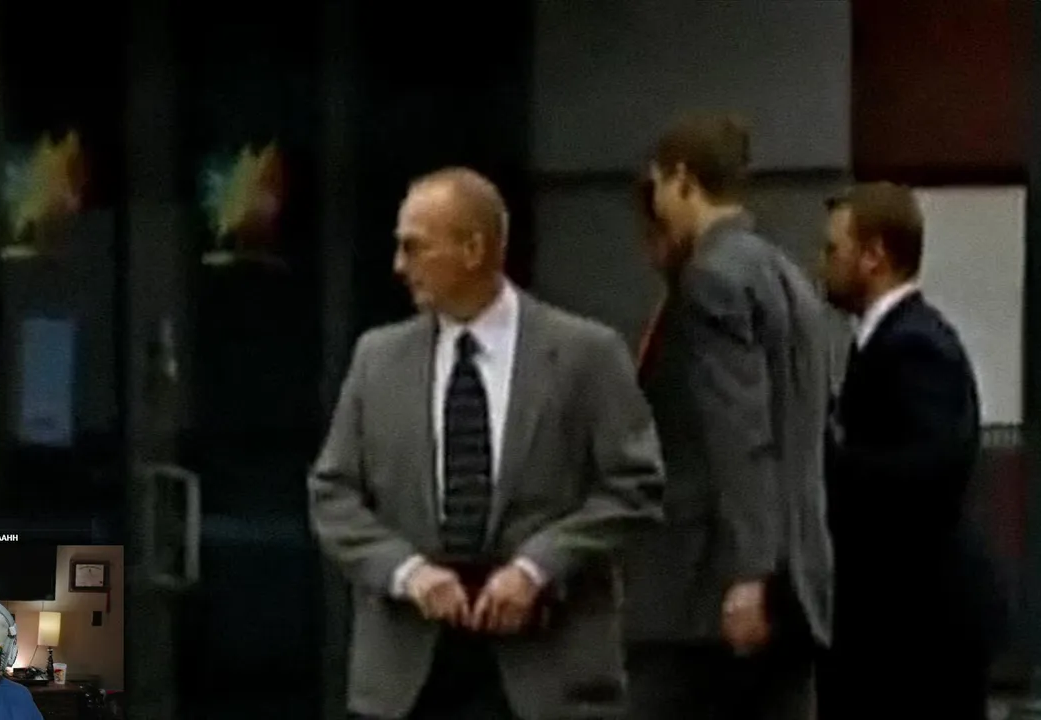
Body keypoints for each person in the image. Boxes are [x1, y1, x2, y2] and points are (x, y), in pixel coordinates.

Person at [309, 166, 665, 720]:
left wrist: (537, 568)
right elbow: (333, 494)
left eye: (414, 247)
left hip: (546, 665)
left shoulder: (585, 354)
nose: (399, 265)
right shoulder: (378, 359)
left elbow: (635, 487)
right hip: (409, 674)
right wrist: (406, 572)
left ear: (473, 249)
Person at [624, 113, 833, 719]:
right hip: (798, 580)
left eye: (660, 185)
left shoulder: (711, 278)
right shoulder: (789, 277)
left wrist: (749, 572)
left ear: (683, 180)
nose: (657, 203)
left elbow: (739, 434)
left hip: (708, 593)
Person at [817, 182, 1000, 719]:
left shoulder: (915, 344)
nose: (822, 263)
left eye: (833, 248)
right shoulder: (886, 341)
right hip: (902, 627)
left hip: (919, 633)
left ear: (873, 255)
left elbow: (930, 472)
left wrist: (827, 462)